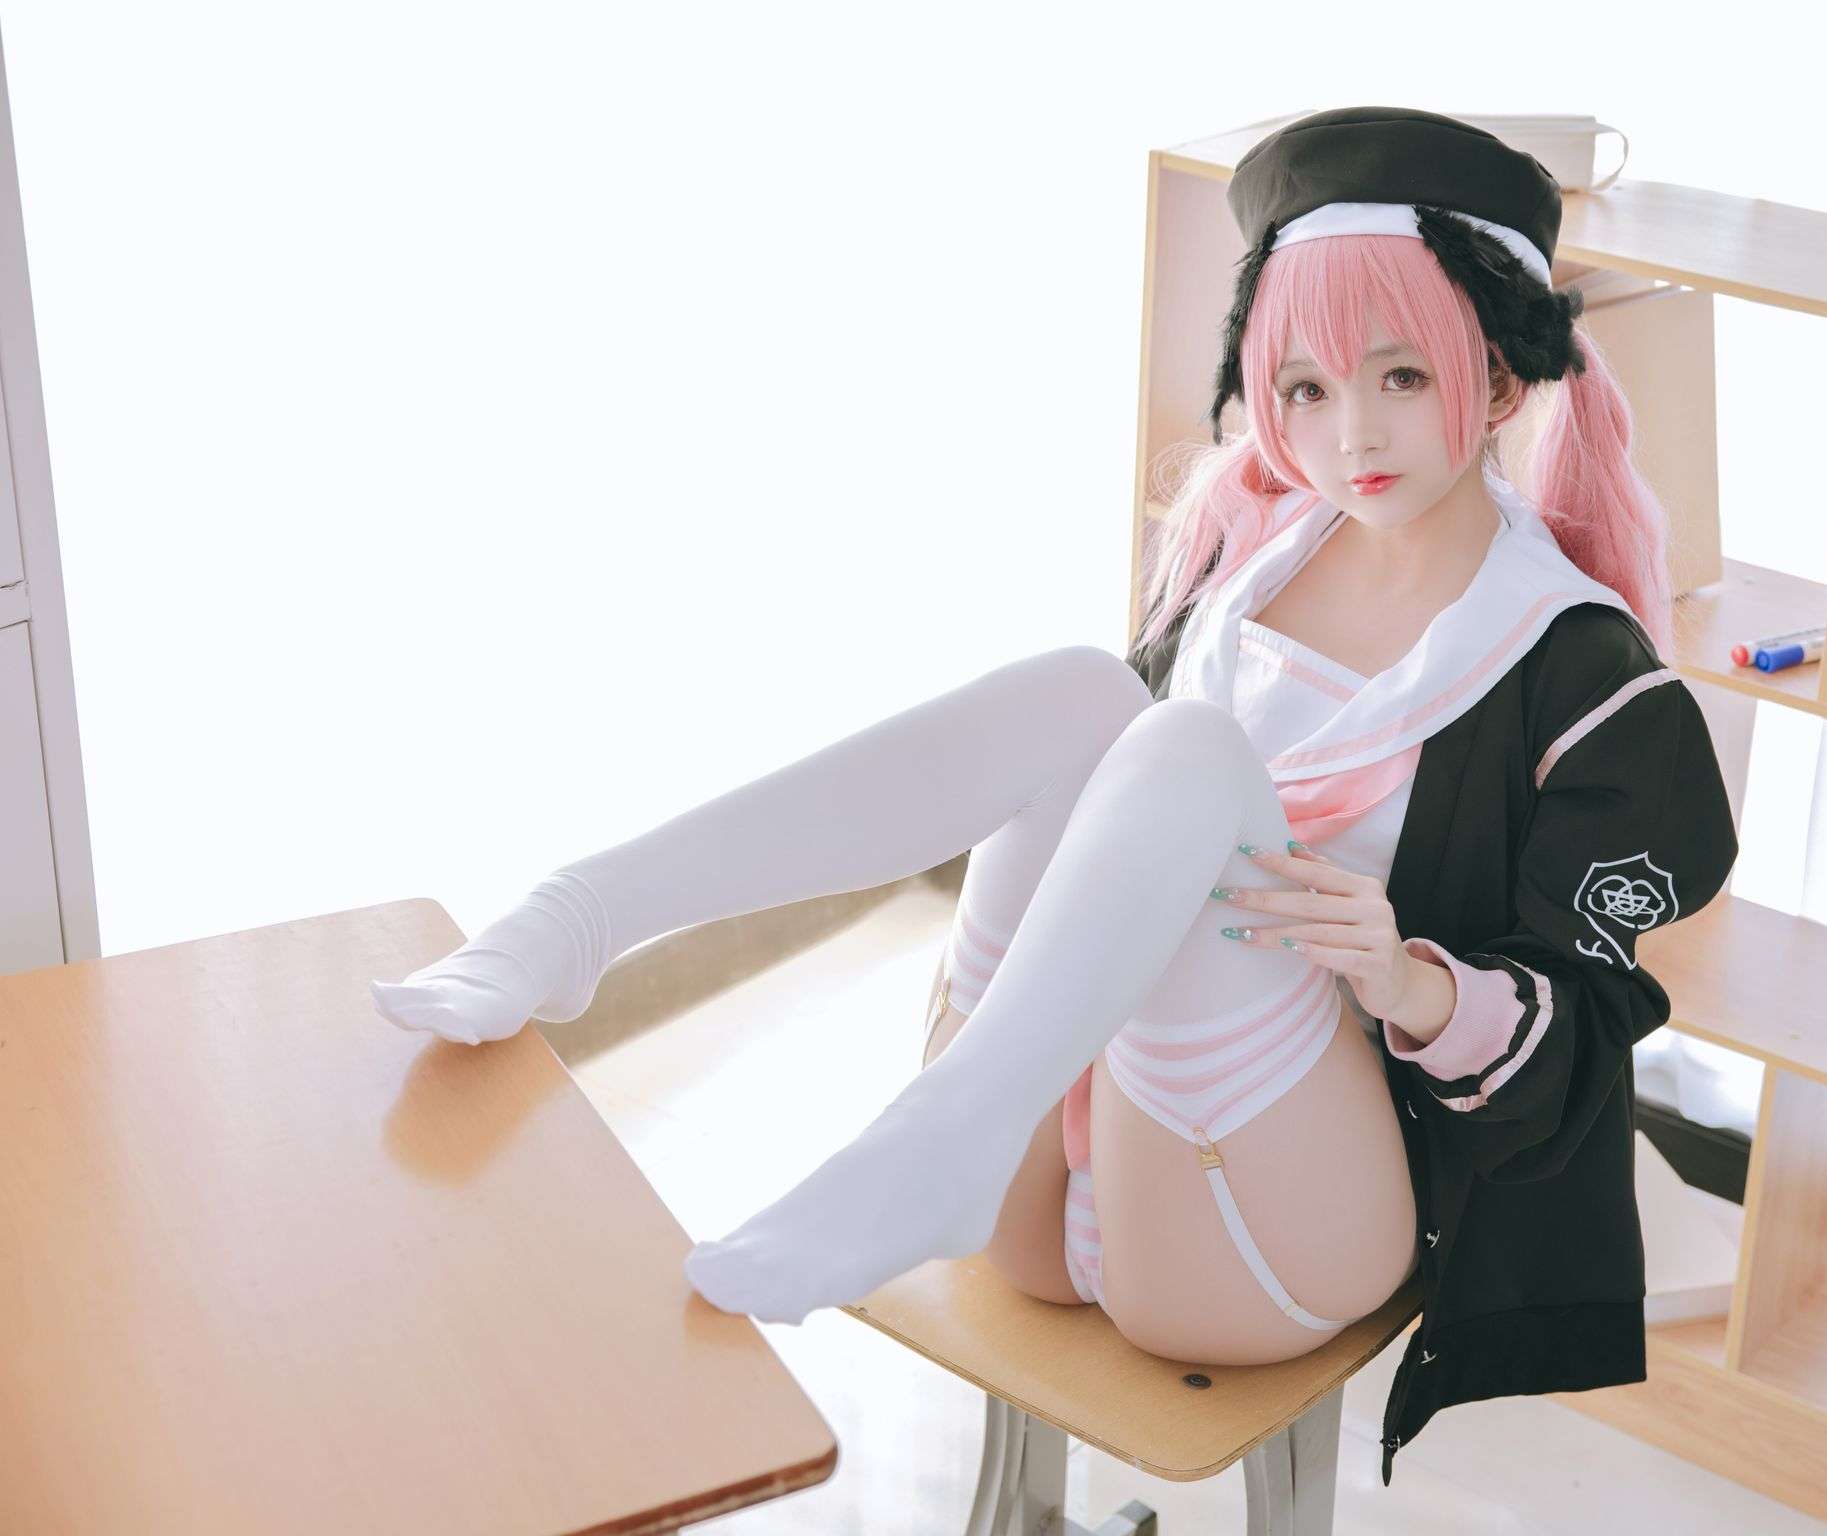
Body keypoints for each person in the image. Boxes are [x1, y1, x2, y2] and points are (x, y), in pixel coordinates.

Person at [369, 105, 1739, 1482]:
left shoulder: (1578, 672)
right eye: (1307, 390)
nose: (1351, 433)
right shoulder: (1253, 557)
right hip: (1053, 1178)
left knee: (1183, 747)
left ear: (1498, 381)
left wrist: (1409, 979)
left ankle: (935, 1142)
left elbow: (1584, 1039)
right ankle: (589, 916)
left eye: (1401, 376)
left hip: (1267, 1233)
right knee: (1093, 696)